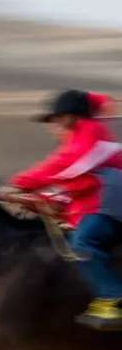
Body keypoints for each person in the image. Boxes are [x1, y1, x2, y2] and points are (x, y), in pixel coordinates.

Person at [8, 89, 122, 329]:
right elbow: (74, 187)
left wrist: (21, 182)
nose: (53, 125)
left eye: (57, 118)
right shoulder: (80, 142)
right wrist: (39, 200)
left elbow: (66, 167)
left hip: (107, 204)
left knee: (84, 244)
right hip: (99, 203)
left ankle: (113, 300)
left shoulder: (90, 132)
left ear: (74, 116)